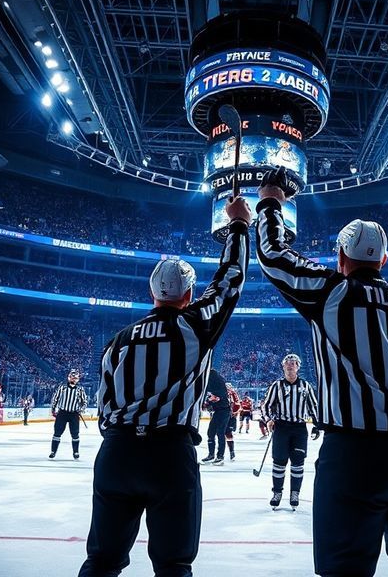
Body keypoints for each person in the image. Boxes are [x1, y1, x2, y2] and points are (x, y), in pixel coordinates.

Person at [256, 171, 388, 577]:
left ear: (341, 258)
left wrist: (271, 200)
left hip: (356, 455)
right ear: (384, 259)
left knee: (344, 570)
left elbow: (275, 256)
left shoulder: (333, 292)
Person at [79, 196, 251, 577]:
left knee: (101, 561)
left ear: (151, 293)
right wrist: (238, 225)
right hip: (170, 455)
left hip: (117, 453)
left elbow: (103, 405)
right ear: (188, 296)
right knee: (174, 564)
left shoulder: (119, 340)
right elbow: (229, 279)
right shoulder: (194, 325)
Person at [261, 353, 319, 509]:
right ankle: (277, 492)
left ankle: (295, 493)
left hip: (299, 428)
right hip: (281, 427)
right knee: (279, 462)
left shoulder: (305, 386)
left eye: (293, 363)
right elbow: (266, 405)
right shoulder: (276, 385)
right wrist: (269, 419)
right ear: (283, 366)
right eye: (287, 362)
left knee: (298, 463)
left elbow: (313, 406)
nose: (290, 365)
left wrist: (317, 424)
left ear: (298, 367)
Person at [49, 369, 89, 460]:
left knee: (75, 434)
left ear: (78, 379)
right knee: (57, 433)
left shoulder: (80, 389)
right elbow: (55, 398)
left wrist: (81, 409)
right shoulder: (62, 387)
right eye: (72, 377)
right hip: (62, 413)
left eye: (75, 378)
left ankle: (76, 452)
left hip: (74, 414)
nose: (73, 379)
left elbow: (85, 402)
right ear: (68, 377)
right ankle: (53, 451)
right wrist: (53, 409)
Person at [202, 368, 232, 465]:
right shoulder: (213, 383)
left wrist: (208, 401)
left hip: (224, 411)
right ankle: (211, 455)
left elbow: (216, 397)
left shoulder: (219, 385)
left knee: (220, 433)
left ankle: (220, 457)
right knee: (210, 432)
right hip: (218, 411)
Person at [225, 381, 241, 460]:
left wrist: (232, 413)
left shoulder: (231, 393)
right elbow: (238, 405)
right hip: (231, 417)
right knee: (228, 434)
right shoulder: (234, 393)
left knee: (226, 434)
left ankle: (228, 452)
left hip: (228, 416)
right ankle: (231, 452)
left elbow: (235, 404)